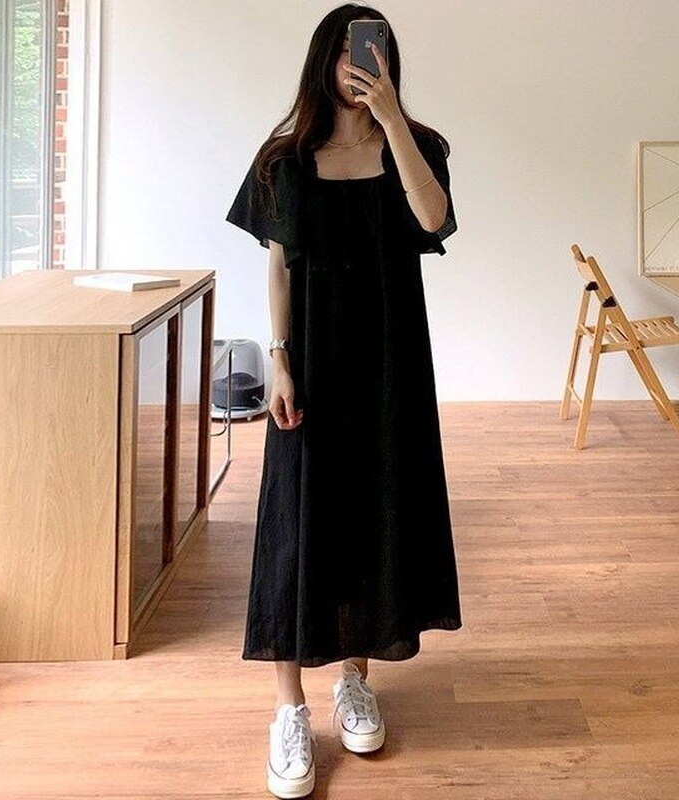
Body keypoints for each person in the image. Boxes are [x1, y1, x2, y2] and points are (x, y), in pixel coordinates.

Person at [225, 5, 463, 797]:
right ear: (326, 59)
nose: (365, 65)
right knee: (296, 522)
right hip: (313, 362)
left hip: (392, 360)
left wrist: (392, 122)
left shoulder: (418, 147)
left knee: (375, 510)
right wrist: (280, 360)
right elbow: (279, 265)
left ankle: (354, 678)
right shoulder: (284, 161)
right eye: (354, 53)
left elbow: (433, 219)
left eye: (379, 53)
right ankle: (288, 707)